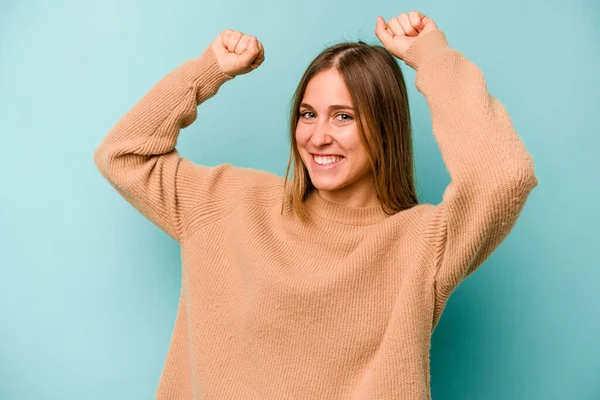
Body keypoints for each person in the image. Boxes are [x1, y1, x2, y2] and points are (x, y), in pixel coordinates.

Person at [94, 10, 538, 400]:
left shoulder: (423, 244)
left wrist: (434, 58)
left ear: (384, 126)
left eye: (343, 116)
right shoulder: (228, 201)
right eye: (308, 114)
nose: (317, 136)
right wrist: (209, 70)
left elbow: (504, 177)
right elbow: (124, 154)